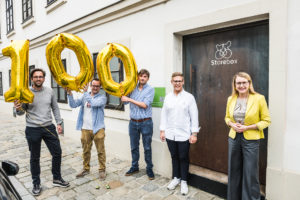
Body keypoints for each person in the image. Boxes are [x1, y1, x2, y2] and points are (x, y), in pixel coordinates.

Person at [14, 68, 70, 196]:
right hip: (32, 128)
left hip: (48, 127)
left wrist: (59, 123)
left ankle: (57, 178)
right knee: (35, 157)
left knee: (57, 152)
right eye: (36, 77)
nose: (38, 79)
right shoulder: (26, 92)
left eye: (40, 77)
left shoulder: (50, 91)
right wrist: (18, 108)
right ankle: (36, 183)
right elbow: (21, 112)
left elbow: (55, 107)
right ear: (32, 79)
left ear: (44, 78)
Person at [225, 72, 271, 200]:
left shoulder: (259, 98)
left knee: (250, 173)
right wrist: (231, 124)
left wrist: (247, 127)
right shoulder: (231, 99)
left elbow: (266, 121)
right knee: (234, 171)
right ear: (234, 85)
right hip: (234, 138)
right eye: (238, 83)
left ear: (249, 83)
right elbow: (227, 117)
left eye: (244, 82)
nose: (241, 85)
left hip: (251, 140)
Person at [160, 72, 199, 195]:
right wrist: (162, 130)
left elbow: (194, 116)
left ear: (183, 82)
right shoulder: (168, 97)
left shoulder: (189, 97)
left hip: (184, 135)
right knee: (174, 156)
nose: (177, 83)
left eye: (179, 81)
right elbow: (164, 115)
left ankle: (184, 181)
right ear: (171, 82)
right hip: (170, 134)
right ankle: (176, 178)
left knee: (183, 157)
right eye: (175, 81)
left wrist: (194, 134)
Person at [67, 78, 107, 180]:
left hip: (98, 128)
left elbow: (94, 103)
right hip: (85, 128)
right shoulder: (85, 96)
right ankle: (85, 169)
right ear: (90, 86)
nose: (95, 88)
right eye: (93, 85)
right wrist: (69, 94)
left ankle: (102, 170)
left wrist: (85, 93)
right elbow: (73, 104)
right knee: (86, 150)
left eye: (97, 86)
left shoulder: (102, 97)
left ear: (100, 87)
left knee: (100, 150)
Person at [121, 69, 155, 180]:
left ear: (148, 78)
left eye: (145, 76)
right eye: (141, 76)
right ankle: (134, 167)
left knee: (147, 147)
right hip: (133, 122)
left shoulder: (150, 90)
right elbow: (125, 102)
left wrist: (130, 99)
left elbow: (145, 105)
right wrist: (122, 92)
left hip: (146, 122)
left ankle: (149, 169)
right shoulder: (132, 88)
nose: (142, 78)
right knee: (134, 147)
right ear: (138, 77)